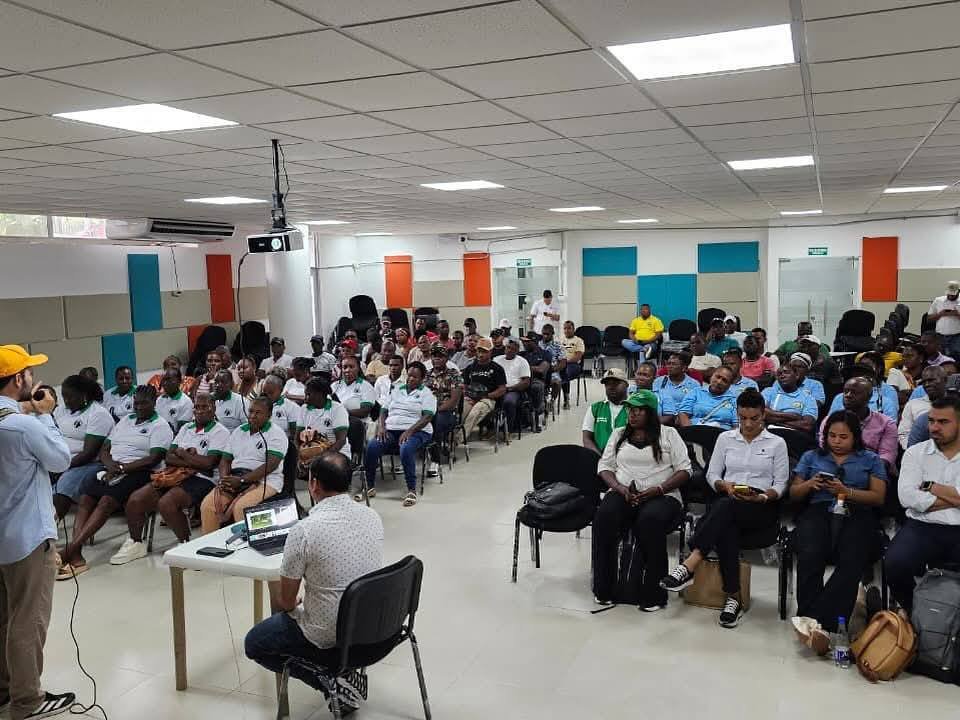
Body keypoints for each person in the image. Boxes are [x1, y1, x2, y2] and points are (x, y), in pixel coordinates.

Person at [244, 452, 383, 717]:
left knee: (255, 643)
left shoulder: (304, 530)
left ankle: (329, 680)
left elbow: (286, 602)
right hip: (370, 627)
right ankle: (341, 674)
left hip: (328, 634)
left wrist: (294, 601)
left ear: (314, 484)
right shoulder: (372, 516)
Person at [661, 390, 788, 628]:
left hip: (760, 506)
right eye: (743, 418)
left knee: (724, 510)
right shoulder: (726, 438)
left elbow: (780, 484)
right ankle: (733, 597)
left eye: (754, 418)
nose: (748, 424)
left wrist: (762, 497)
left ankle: (691, 562)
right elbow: (712, 475)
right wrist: (723, 485)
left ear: (763, 415)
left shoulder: (776, 443)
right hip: (729, 497)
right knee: (727, 526)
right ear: (737, 414)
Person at [0, 346, 75, 719]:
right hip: (28, 536)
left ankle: (5, 690)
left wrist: (28, 409)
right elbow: (61, 459)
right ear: (19, 380)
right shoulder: (25, 426)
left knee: (5, 617)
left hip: (3, 537)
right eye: (29, 372)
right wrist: (45, 414)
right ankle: (27, 700)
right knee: (28, 620)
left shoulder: (11, 421)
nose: (33, 377)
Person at [790, 410, 886, 643]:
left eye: (843, 437)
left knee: (852, 559)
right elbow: (793, 493)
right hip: (819, 509)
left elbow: (878, 497)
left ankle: (816, 623)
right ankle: (814, 624)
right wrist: (810, 484)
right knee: (810, 555)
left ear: (855, 437)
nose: (836, 441)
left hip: (856, 511)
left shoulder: (870, 459)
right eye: (832, 436)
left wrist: (846, 491)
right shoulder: (812, 456)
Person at [59, 385, 174, 577]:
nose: (139, 407)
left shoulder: (160, 426)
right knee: (86, 497)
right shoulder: (125, 421)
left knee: (106, 501)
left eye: (144, 403)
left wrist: (121, 469)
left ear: (154, 403)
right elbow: (105, 448)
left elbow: (153, 459)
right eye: (136, 403)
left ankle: (70, 550)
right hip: (111, 467)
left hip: (140, 472)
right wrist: (110, 465)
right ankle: (75, 551)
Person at [592, 391, 691, 610]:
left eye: (638, 410)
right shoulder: (619, 434)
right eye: (630, 410)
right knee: (604, 517)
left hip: (663, 495)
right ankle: (604, 587)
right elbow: (604, 466)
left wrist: (659, 489)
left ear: (650, 412)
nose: (632, 414)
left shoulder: (669, 434)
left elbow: (685, 470)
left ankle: (654, 594)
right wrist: (619, 488)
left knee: (650, 520)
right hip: (623, 492)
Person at [119, 393, 230, 556]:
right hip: (174, 474)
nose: (200, 411)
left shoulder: (220, 432)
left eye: (204, 407)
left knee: (166, 503)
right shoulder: (186, 428)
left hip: (203, 479)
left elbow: (209, 464)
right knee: (135, 499)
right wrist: (193, 460)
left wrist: (182, 453)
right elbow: (169, 457)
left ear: (213, 409)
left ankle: (184, 543)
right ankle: (136, 543)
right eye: (197, 407)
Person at [884, 397, 960, 612]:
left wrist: (931, 486)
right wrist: (954, 498)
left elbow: (919, 496)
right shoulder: (915, 453)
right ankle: (917, 615)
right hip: (922, 526)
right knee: (895, 564)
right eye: (931, 421)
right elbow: (907, 498)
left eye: (943, 422)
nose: (934, 427)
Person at [200, 395, 289, 533]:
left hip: (265, 481)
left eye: (258, 413)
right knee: (207, 506)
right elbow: (225, 460)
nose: (252, 416)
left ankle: (246, 544)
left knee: (242, 508)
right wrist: (224, 480)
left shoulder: (276, 433)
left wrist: (242, 480)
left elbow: (271, 465)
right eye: (251, 411)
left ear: (269, 415)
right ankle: (211, 544)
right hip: (236, 477)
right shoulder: (239, 431)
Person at [364, 361, 436, 507]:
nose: (411, 379)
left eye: (415, 377)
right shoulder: (396, 389)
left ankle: (411, 490)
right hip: (391, 430)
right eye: (409, 375)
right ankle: (369, 486)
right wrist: (381, 427)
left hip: (418, 431)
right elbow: (383, 410)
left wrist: (409, 431)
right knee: (372, 446)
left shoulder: (427, 394)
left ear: (422, 379)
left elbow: (427, 417)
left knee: (406, 447)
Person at [50, 375, 114, 525]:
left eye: (70, 397)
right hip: (61, 461)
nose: (66, 401)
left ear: (83, 395)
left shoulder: (98, 414)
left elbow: (89, 453)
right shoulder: (61, 411)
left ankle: (51, 526)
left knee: (66, 482)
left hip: (90, 464)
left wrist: (62, 467)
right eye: (64, 396)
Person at [823, 377, 897, 469]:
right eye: (845, 391)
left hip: (870, 469)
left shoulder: (886, 424)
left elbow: (887, 455)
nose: (848, 395)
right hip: (832, 467)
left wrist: (865, 471)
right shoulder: (829, 421)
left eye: (855, 392)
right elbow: (823, 449)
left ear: (869, 396)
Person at [424, 345, 462, 475]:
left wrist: (435, 410)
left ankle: (435, 461)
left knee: (436, 422)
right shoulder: (426, 375)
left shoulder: (454, 375)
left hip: (446, 412)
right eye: (434, 356)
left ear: (446, 358)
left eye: (440, 356)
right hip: (426, 411)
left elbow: (453, 401)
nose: (437, 359)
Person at [460, 338, 507, 440]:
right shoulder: (470, 368)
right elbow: (465, 386)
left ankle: (458, 439)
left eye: (484, 351)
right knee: (461, 412)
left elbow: (502, 389)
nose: (480, 354)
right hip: (472, 397)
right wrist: (467, 394)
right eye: (479, 351)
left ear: (490, 352)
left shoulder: (497, 368)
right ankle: (450, 438)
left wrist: (485, 396)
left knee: (475, 412)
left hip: (489, 399)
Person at [826, 361, 898, 422]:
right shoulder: (839, 397)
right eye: (853, 376)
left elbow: (890, 428)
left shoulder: (885, 403)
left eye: (860, 377)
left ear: (870, 379)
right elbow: (829, 423)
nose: (855, 381)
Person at [298, 378, 350, 459]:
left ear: (319, 394)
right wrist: (301, 455)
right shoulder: (304, 408)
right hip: (312, 452)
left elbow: (341, 441)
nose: (305, 399)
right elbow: (297, 438)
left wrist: (321, 459)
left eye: (308, 394)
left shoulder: (337, 409)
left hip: (337, 453)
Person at [582, 368, 629, 455]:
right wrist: (601, 459)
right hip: (599, 456)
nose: (611, 387)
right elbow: (587, 439)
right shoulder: (594, 408)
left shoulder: (634, 408)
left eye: (616, 383)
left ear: (626, 384)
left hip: (627, 458)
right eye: (607, 384)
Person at [761, 363, 818, 434]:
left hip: (794, 434)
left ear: (796, 375)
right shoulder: (768, 391)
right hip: (769, 433)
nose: (782, 376)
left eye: (786, 372)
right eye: (779, 374)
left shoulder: (808, 398)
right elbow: (761, 413)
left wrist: (774, 419)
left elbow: (807, 425)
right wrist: (794, 416)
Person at [677, 366, 738, 430]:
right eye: (718, 377)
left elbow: (736, 426)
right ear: (712, 376)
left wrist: (727, 436)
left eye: (724, 380)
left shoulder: (733, 400)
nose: (719, 382)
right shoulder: (696, 392)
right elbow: (683, 414)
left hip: (721, 433)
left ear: (729, 385)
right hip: (695, 431)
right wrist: (690, 431)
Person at [899, 366, 945, 449]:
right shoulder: (912, 404)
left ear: (945, 380)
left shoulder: (955, 404)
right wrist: (912, 450)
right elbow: (904, 434)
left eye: (931, 380)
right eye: (924, 382)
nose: (927, 384)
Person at [494, 338, 532, 433]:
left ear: (517, 350)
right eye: (508, 347)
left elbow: (526, 382)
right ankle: (490, 427)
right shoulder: (496, 360)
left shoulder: (522, 361)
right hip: (497, 389)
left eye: (513, 349)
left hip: (513, 390)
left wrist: (509, 388)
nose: (509, 350)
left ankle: (508, 429)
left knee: (509, 402)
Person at [331, 355, 376, 425]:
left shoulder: (366, 386)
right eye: (345, 367)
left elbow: (364, 412)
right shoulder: (334, 386)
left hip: (358, 424)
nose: (348, 370)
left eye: (351, 367)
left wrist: (342, 412)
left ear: (358, 368)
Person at [261, 374, 302, 439]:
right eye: (264, 392)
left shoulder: (291, 407)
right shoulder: (256, 405)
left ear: (281, 391)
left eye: (271, 393)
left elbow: (295, 435)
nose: (267, 395)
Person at [927, 280, 960, 360]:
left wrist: (957, 314)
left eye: (953, 295)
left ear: (958, 291)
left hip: (957, 337)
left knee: (956, 359)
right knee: (939, 359)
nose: (950, 296)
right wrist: (940, 314)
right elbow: (929, 318)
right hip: (940, 337)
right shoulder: (938, 300)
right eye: (949, 294)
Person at [521, 332, 549, 420]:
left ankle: (536, 412)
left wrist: (524, 367)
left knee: (536, 387)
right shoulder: (521, 354)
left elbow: (541, 369)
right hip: (521, 379)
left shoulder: (545, 354)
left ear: (535, 342)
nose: (524, 343)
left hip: (536, 379)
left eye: (527, 341)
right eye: (524, 341)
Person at [558, 320, 585, 408]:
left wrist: (565, 362)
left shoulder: (579, 341)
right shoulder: (560, 340)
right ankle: (550, 399)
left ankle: (566, 399)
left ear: (573, 329)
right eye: (565, 328)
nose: (566, 330)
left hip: (574, 365)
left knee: (564, 373)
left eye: (569, 328)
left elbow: (578, 357)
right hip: (561, 363)